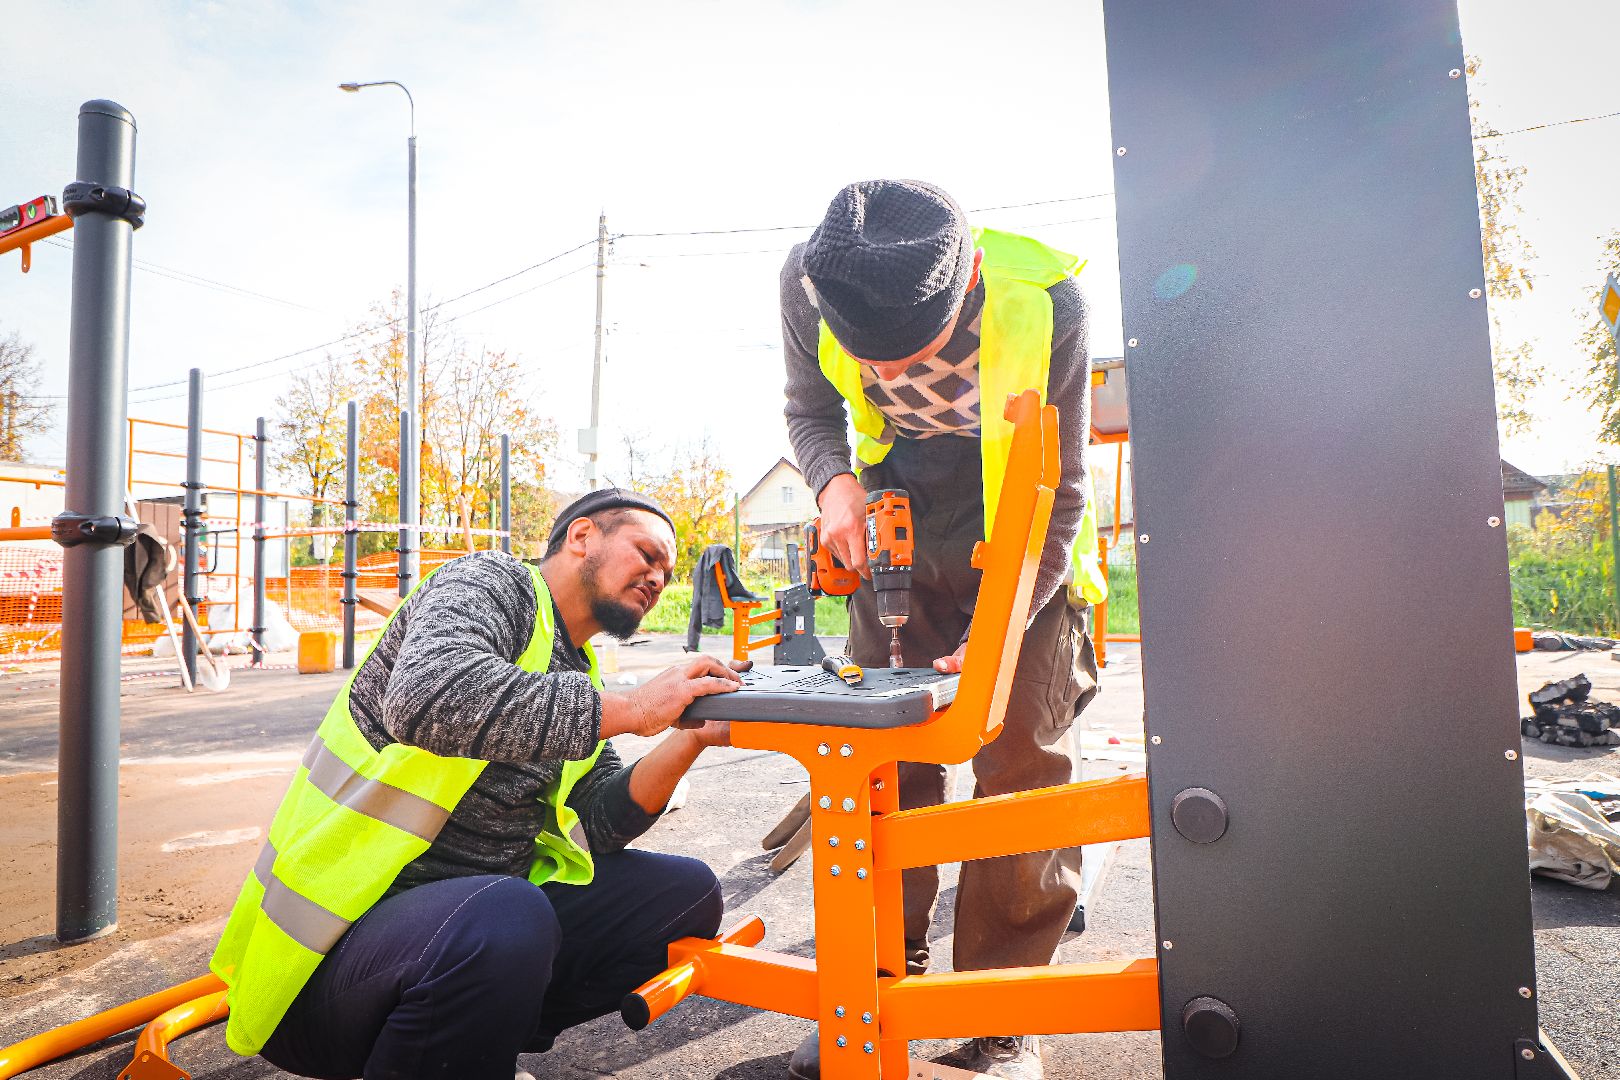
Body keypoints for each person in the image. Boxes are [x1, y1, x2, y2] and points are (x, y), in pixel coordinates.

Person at [210, 489, 747, 1080]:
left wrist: (690, 737)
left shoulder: (575, 667)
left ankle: (467, 1046)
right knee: (506, 913)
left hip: (458, 931)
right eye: (646, 553)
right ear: (582, 537)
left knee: (683, 894)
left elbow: (599, 818)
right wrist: (634, 707)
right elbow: (427, 695)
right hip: (325, 967)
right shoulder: (487, 583)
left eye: (667, 573)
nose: (658, 577)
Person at [780, 180, 1104, 1080]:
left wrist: (1004, 628)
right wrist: (833, 485)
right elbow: (811, 413)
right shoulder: (814, 281)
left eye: (901, 357)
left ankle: (1000, 1013)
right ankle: (875, 978)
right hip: (898, 522)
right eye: (866, 361)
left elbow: (1063, 493)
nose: (880, 378)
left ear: (959, 293)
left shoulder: (1047, 309)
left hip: (1020, 530)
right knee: (884, 755)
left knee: (1019, 769)